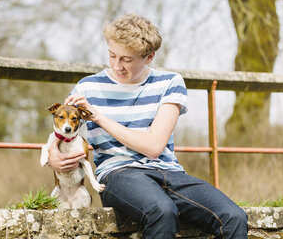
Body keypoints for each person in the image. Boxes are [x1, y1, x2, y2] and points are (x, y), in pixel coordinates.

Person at [47, 13, 248, 239]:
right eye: (112, 55)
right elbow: (61, 132)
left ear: (149, 57)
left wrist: (100, 117)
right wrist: (52, 154)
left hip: (169, 172)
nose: (117, 65)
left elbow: (153, 147)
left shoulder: (170, 83)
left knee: (234, 217)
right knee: (161, 211)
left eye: (127, 59)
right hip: (117, 173)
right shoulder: (87, 87)